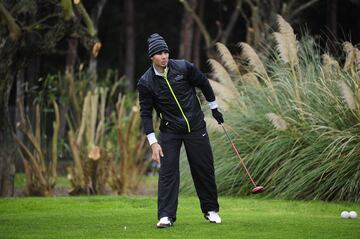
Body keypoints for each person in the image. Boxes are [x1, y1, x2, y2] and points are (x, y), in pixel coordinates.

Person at [137, 33, 224, 228]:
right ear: (152, 57)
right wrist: (153, 143)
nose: (164, 55)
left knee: (203, 169)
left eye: (166, 51)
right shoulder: (146, 82)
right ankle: (166, 216)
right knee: (168, 173)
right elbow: (145, 113)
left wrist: (214, 108)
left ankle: (211, 210)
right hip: (170, 132)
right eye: (159, 53)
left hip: (195, 127)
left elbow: (203, 83)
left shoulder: (183, 67)